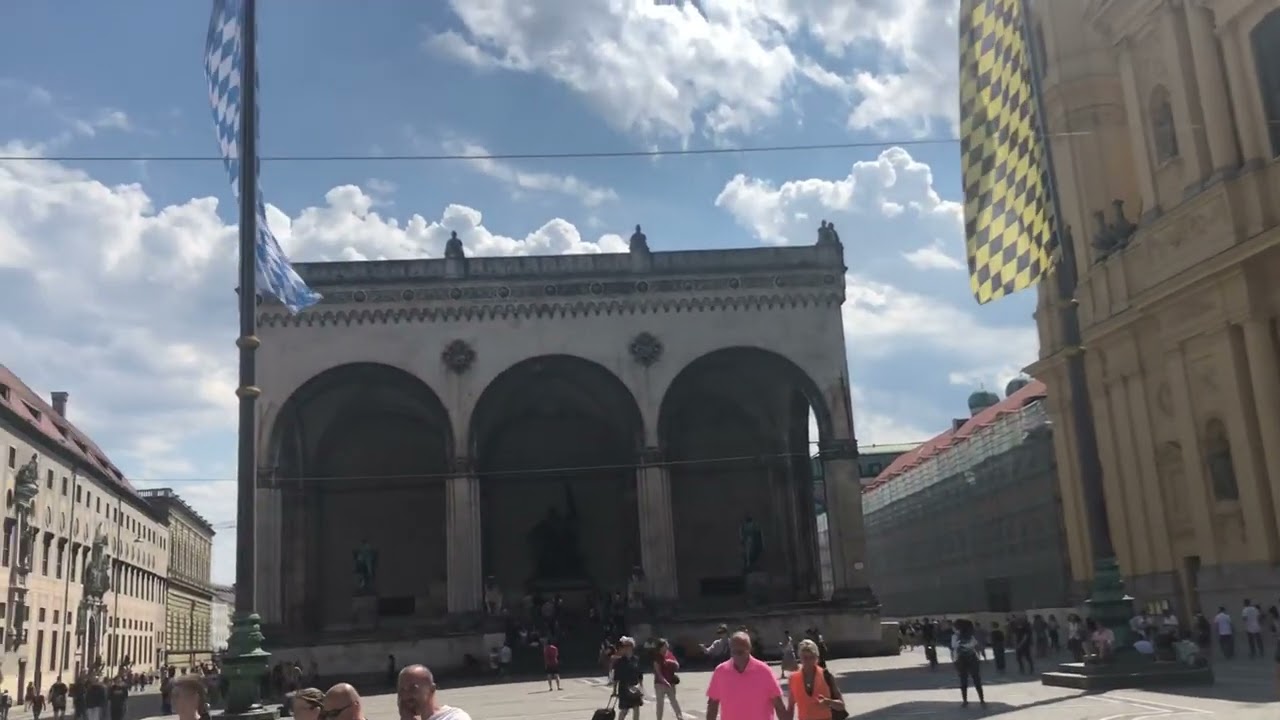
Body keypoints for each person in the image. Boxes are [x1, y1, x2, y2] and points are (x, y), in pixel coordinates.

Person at [706, 631, 787, 720]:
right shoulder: (720, 672)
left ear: (749, 649)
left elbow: (779, 706)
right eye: (734, 652)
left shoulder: (764, 672)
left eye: (740, 652)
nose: (737, 656)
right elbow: (712, 705)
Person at [785, 639, 845, 720]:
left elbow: (841, 706)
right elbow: (791, 707)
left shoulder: (826, 675)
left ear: (817, 658)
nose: (808, 661)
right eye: (805, 657)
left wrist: (828, 702)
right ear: (800, 658)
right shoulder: (793, 678)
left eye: (812, 657)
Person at [397, 665, 471, 720]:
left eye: (413, 688)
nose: (405, 695)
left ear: (432, 689)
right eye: (402, 690)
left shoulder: (454, 716)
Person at [952, 620, 986, 709]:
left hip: (961, 660)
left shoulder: (955, 636)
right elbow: (975, 645)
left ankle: (965, 701)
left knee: (963, 680)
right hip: (972, 658)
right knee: (976, 679)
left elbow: (954, 646)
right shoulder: (971, 636)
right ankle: (982, 699)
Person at [611, 637, 644, 720]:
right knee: (624, 710)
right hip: (624, 688)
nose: (625, 648)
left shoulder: (636, 659)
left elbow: (640, 674)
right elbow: (616, 677)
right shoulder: (620, 661)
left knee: (636, 709)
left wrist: (641, 687)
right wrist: (614, 691)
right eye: (624, 646)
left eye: (627, 646)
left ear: (632, 647)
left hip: (635, 686)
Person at [652, 639, 684, 720]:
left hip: (671, 682)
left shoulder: (669, 654)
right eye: (665, 645)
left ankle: (680, 717)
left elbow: (677, 665)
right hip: (659, 684)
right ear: (661, 647)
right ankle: (659, 718)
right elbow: (658, 673)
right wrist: (664, 681)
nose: (667, 646)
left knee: (674, 701)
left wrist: (671, 662)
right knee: (660, 703)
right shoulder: (657, 657)